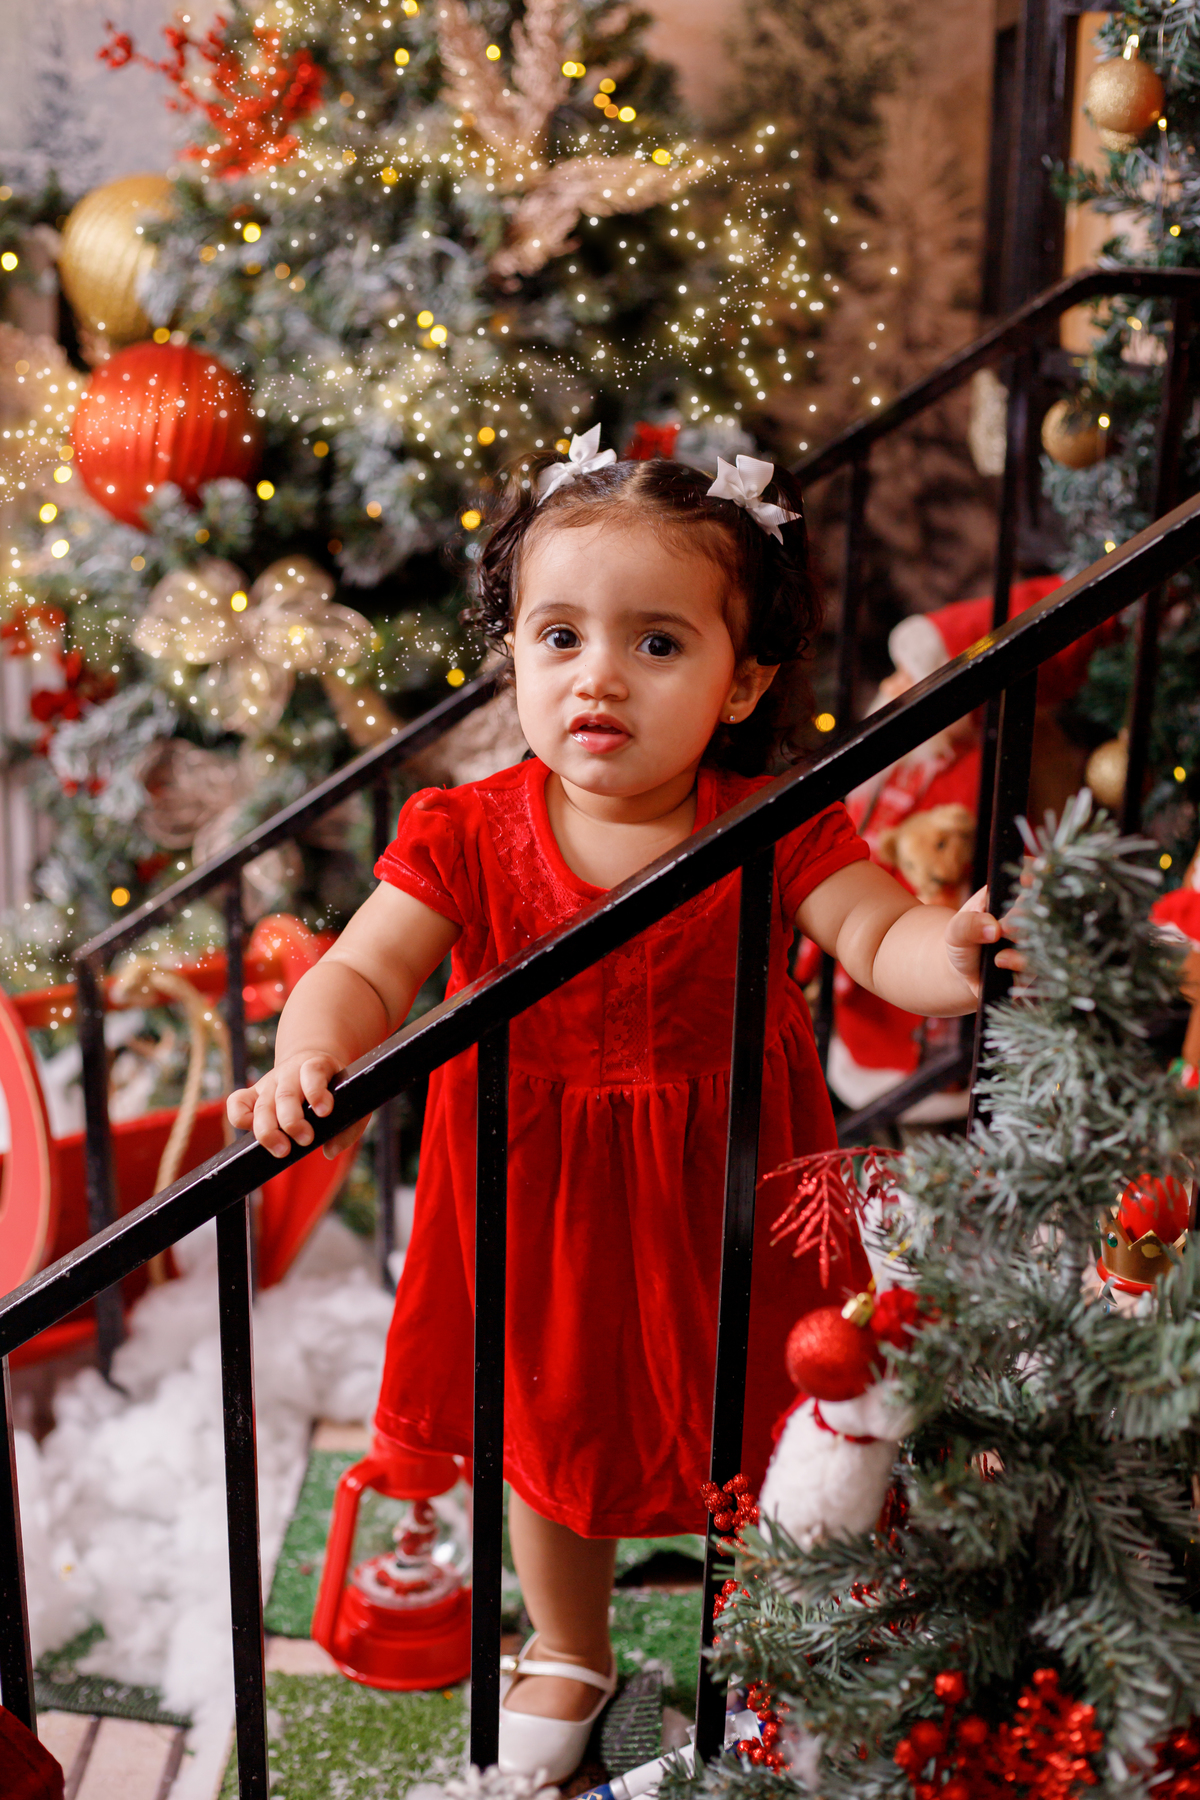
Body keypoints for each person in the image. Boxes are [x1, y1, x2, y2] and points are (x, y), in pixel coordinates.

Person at [228, 437, 1016, 1780]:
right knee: (550, 1424)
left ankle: (772, 1631)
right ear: (516, 656)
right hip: (537, 1193)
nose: (598, 675)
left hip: (737, 1186)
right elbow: (363, 969)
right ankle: (570, 1645)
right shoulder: (466, 832)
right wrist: (313, 1050)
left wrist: (951, 953)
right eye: (560, 636)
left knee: (764, 1415)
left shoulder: (776, 821)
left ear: (740, 680)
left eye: (657, 644)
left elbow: (879, 935)